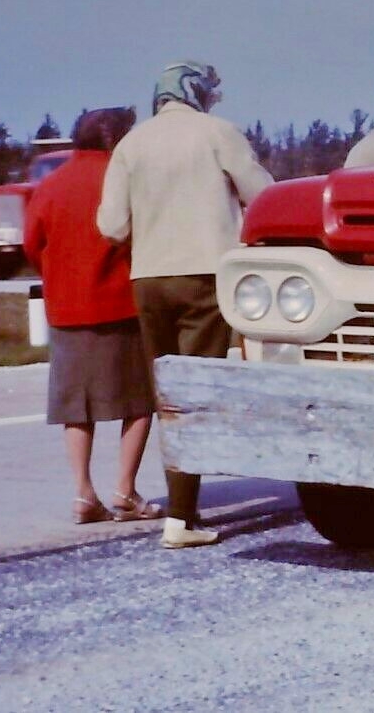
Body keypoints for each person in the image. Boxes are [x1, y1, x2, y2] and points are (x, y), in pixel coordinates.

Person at [98, 61, 273, 548]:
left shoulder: (131, 145)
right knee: (195, 390)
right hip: (205, 273)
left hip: (149, 277)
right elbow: (262, 196)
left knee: (168, 391)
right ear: (197, 92)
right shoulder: (219, 133)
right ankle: (181, 517)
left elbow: (111, 225)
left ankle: (182, 507)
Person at [24, 106, 163, 525]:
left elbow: (33, 243)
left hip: (67, 308)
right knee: (140, 400)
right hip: (123, 304)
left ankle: (83, 493)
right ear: (117, 140)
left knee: (76, 406)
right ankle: (125, 489)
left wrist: (57, 273)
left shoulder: (50, 185)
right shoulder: (126, 178)